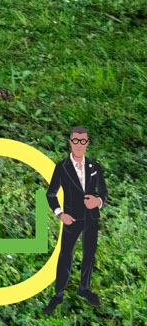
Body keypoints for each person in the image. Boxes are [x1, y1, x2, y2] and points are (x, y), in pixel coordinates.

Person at [43, 126, 109, 312]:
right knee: (65, 255)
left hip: (91, 217)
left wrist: (98, 201)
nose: (79, 145)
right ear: (70, 142)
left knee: (89, 253)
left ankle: (84, 288)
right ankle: (58, 295)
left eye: (83, 141)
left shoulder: (94, 166)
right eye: (76, 141)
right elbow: (51, 194)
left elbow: (103, 191)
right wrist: (60, 213)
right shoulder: (61, 167)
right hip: (72, 218)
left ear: (87, 143)